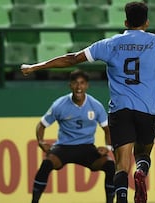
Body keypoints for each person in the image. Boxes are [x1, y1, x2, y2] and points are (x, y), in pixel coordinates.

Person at [21, 2, 155, 203]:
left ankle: (123, 198)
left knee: (120, 164)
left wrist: (35, 67)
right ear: (147, 22)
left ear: (125, 22)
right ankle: (141, 173)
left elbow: (72, 58)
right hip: (147, 111)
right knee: (143, 154)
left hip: (120, 111)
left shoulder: (108, 44)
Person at [30, 69, 115, 203]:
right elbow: (41, 125)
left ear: (87, 86)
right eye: (75, 83)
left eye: (82, 83)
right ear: (70, 85)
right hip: (64, 147)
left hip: (87, 148)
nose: (78, 87)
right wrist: (41, 142)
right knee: (46, 164)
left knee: (110, 165)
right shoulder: (60, 104)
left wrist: (108, 147)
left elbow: (107, 129)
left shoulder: (95, 105)